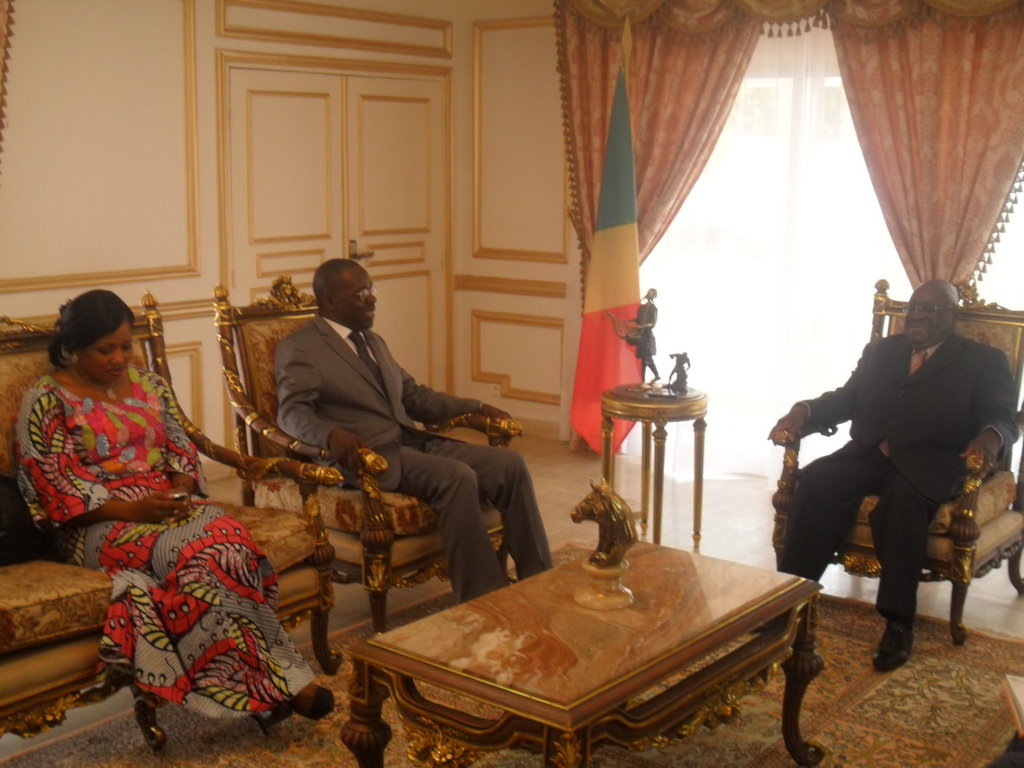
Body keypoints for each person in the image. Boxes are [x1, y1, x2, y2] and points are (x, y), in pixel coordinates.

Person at [15, 289, 332, 728]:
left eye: (126, 346)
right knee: (202, 556)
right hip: (97, 525)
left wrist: (181, 487)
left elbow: (181, 448)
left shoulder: (150, 385)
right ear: (73, 349)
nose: (119, 358)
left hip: (167, 508)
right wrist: (134, 511)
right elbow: (54, 487)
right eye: (105, 349)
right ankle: (286, 687)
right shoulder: (47, 399)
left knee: (230, 546)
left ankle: (259, 689)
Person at [768, 279, 1019, 671]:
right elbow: (847, 398)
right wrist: (804, 411)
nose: (917, 316)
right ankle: (789, 600)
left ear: (951, 316)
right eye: (913, 308)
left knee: (902, 503)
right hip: (871, 452)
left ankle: (899, 624)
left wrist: (989, 440)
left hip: (934, 461)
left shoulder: (983, 360)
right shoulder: (881, 351)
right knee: (817, 482)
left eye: (931, 309)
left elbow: (1003, 418)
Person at [274, 258, 553, 602]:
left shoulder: (372, 341)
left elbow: (414, 396)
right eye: (362, 293)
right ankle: (482, 597)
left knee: (510, 465)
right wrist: (332, 436)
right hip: (369, 457)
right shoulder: (301, 348)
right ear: (330, 301)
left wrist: (476, 407)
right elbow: (291, 414)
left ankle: (540, 581)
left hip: (410, 442)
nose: (373, 298)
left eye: (372, 289)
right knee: (456, 476)